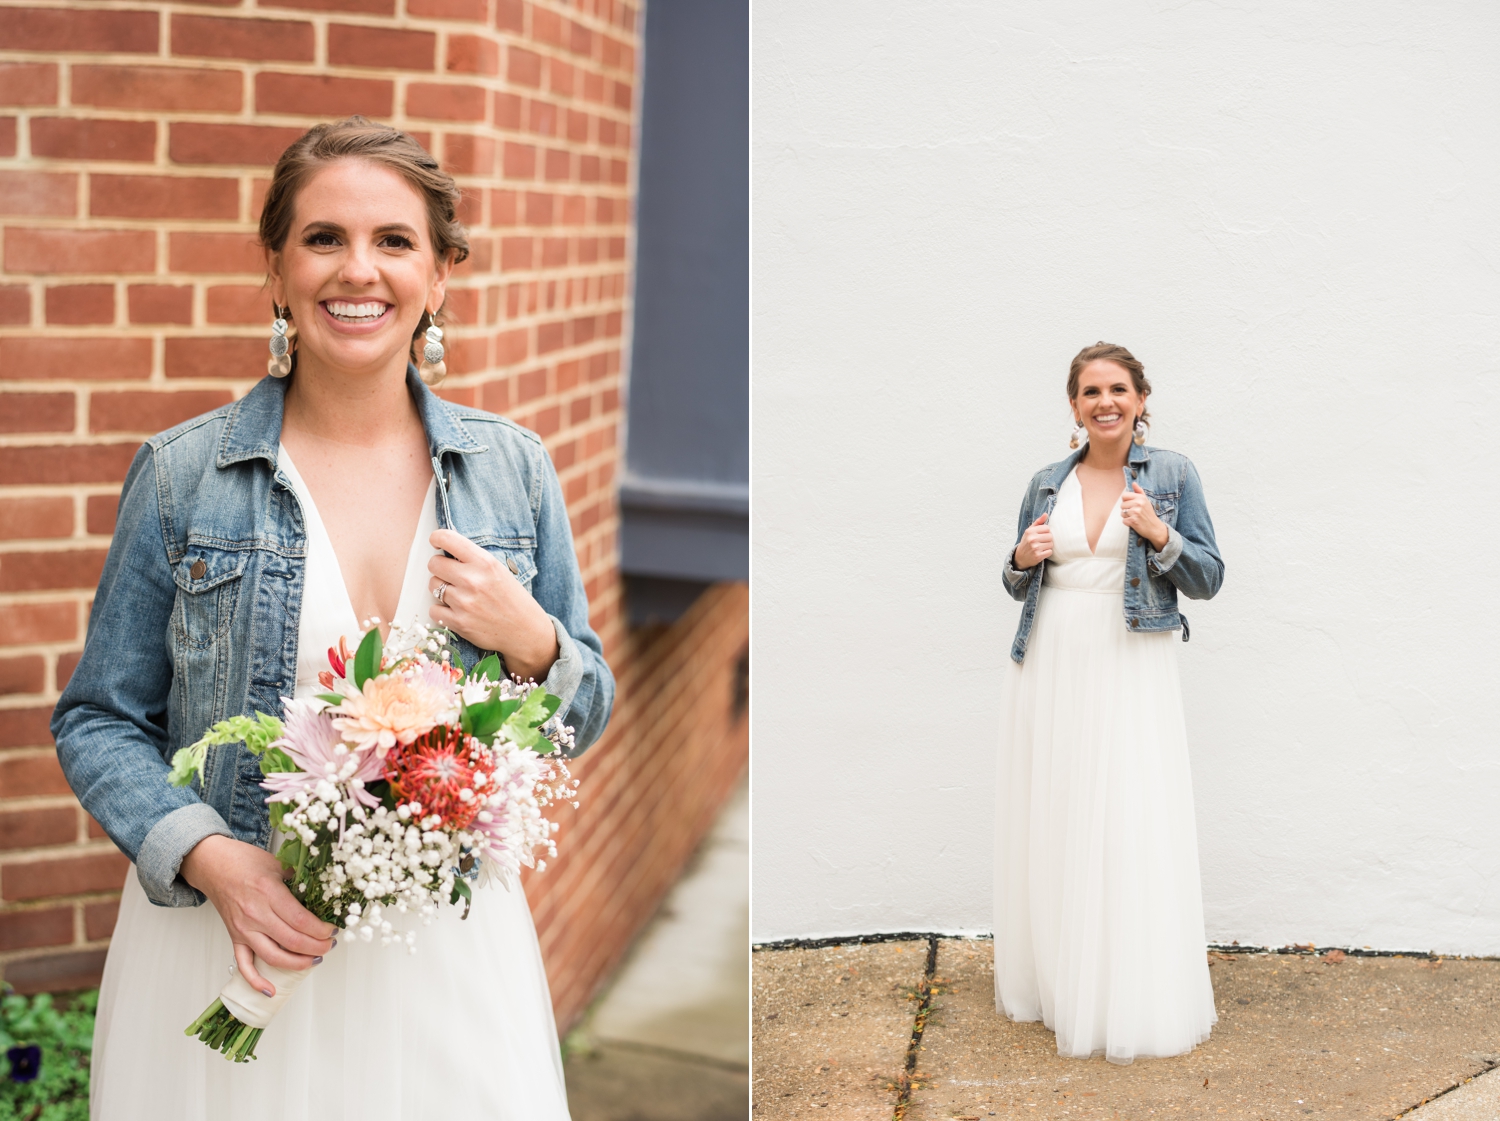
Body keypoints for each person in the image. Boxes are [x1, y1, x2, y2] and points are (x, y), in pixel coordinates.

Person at [51, 117, 613, 1118]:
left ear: (440, 275)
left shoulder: (511, 470)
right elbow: (98, 717)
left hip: (442, 960)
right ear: (276, 268)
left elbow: (583, 712)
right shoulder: (185, 474)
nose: (359, 270)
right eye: (324, 238)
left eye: (395, 240)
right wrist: (212, 856)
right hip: (231, 942)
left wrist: (532, 638)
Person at [993, 342, 1223, 1064]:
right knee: (1060, 811)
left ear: (1142, 399)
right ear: (1074, 405)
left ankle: (1129, 989)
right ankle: (1064, 984)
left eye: (1118, 388)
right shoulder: (1044, 482)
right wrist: (1021, 561)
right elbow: (1015, 578)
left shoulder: (1174, 474)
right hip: (1052, 659)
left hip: (1131, 657)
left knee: (1127, 814)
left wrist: (1159, 534)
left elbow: (1210, 576)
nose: (1105, 402)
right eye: (1091, 390)